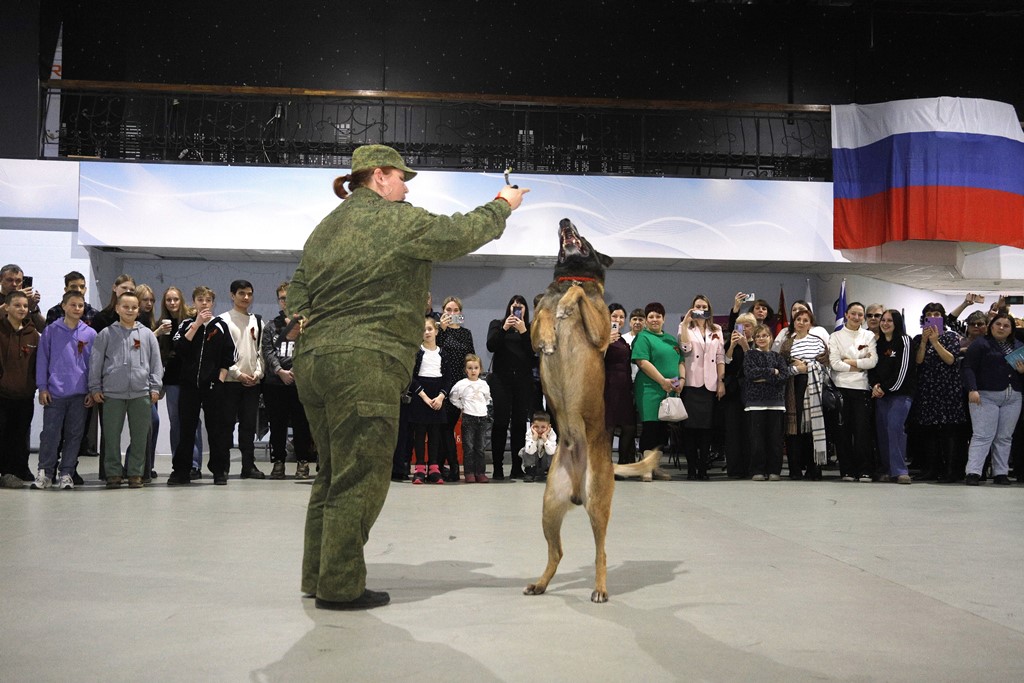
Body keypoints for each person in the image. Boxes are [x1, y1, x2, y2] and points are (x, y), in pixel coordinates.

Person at [287, 144, 527, 610]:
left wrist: (304, 317)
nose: (406, 188)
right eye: (402, 178)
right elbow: (458, 233)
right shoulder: (395, 219)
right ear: (379, 176)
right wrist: (503, 205)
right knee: (360, 477)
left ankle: (318, 576)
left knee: (332, 474)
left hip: (314, 362)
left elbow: (299, 285)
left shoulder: (326, 227)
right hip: (364, 363)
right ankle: (339, 586)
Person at [88, 292, 162, 489]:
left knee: (140, 437)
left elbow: (156, 364)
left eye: (134, 307)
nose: (130, 310)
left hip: (141, 394)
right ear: (117, 308)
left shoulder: (147, 335)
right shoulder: (106, 334)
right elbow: (95, 363)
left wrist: (155, 387)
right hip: (112, 394)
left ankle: (135, 473)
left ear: (138, 310)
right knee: (111, 436)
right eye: (126, 307)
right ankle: (113, 473)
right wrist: (95, 387)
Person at [165, 286, 236, 486]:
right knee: (186, 429)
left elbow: (230, 354)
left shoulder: (220, 325)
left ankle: (219, 471)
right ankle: (182, 471)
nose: (204, 303)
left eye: (208, 300)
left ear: (213, 303)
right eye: (200, 300)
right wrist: (196, 324)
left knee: (216, 429)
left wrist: (220, 378)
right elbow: (179, 348)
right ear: (194, 302)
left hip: (212, 385)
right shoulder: (187, 324)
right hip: (189, 385)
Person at [33, 290, 96, 489]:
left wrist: (91, 390)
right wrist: (42, 387)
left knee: (74, 435)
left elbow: (93, 365)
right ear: (64, 306)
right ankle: (45, 472)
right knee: (50, 435)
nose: (77, 308)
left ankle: (66, 472)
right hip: (55, 394)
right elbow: (42, 360)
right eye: (73, 305)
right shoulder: (51, 331)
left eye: (80, 305)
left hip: (80, 395)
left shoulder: (90, 334)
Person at [961, 313, 1024, 486]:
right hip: (985, 395)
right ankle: (973, 472)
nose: (1001, 328)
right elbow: (968, 367)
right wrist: (972, 389)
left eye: (1006, 325)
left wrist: (1022, 371)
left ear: (1011, 329)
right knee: (982, 435)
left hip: (1013, 396)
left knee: (1004, 437)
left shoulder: (1018, 346)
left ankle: (1000, 472)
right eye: (998, 324)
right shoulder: (980, 344)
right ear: (991, 326)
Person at [908, 303, 966, 482]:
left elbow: (950, 360)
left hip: (948, 389)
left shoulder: (951, 336)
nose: (932, 317)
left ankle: (950, 470)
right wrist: (924, 342)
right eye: (929, 314)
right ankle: (931, 469)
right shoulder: (919, 338)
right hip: (928, 389)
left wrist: (935, 341)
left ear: (942, 317)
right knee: (929, 431)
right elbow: (918, 361)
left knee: (949, 431)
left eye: (936, 314)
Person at [263, 281, 314, 480]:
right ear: (279, 301)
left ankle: (303, 462)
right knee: (277, 425)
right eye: (282, 298)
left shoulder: (305, 325)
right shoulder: (271, 326)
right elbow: (268, 351)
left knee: (302, 424)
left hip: (300, 383)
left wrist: (294, 369)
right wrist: (280, 371)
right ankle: (278, 462)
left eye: (289, 298)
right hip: (275, 383)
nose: (286, 301)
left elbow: (309, 350)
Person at [219, 279, 266, 479]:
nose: (246, 297)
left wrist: (257, 374)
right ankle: (222, 467)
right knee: (226, 425)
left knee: (248, 426)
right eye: (241, 293)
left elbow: (261, 352)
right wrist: (237, 373)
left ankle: (248, 466)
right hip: (230, 383)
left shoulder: (258, 321)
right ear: (232, 295)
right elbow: (220, 354)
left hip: (252, 384)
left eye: (249, 294)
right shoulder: (222, 321)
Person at [631, 302, 683, 482]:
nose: (655, 319)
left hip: (670, 390)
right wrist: (662, 381)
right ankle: (645, 467)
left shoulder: (671, 339)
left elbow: (680, 362)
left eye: (658, 316)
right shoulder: (643, 337)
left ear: (664, 319)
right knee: (650, 427)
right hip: (649, 389)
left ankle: (655, 466)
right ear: (646, 320)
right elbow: (642, 362)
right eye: (651, 316)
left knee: (663, 429)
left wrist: (680, 381)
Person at [486, 295, 535, 480]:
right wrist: (505, 328)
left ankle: (516, 467)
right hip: (501, 380)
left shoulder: (530, 328)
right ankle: (497, 467)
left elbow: (533, 355)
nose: (517, 309)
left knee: (519, 424)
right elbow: (491, 346)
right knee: (500, 422)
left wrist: (523, 332)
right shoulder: (497, 324)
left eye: (520, 307)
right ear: (509, 308)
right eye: (514, 307)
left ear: (525, 310)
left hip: (523, 381)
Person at [828, 301, 878, 482]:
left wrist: (848, 361)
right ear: (846, 315)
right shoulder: (835, 336)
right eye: (853, 313)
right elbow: (835, 364)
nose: (856, 317)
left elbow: (872, 362)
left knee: (862, 432)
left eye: (860, 314)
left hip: (861, 389)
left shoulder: (869, 336)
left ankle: (865, 470)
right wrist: (859, 365)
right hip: (841, 389)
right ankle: (847, 470)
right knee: (843, 432)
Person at [157, 286, 204, 479]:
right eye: (168, 300)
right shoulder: (161, 323)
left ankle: (194, 464)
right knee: (176, 422)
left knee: (193, 421)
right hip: (171, 378)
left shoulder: (192, 319)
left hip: (191, 378)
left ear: (182, 300)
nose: (172, 303)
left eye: (175, 299)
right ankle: (179, 463)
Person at [678, 294, 726, 481]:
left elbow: (720, 357)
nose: (701, 309)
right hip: (692, 383)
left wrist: (721, 381)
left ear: (709, 309)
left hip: (710, 384)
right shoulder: (685, 328)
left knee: (707, 429)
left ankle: (703, 469)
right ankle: (691, 468)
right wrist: (685, 324)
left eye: (704, 307)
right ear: (692, 308)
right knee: (690, 429)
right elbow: (685, 349)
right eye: (697, 306)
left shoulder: (717, 329)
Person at [780, 308, 829, 480]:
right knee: (794, 430)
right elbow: (782, 368)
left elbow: (825, 365)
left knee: (812, 429)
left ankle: (814, 469)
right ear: (793, 322)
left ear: (810, 324)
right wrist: (796, 369)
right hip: (793, 389)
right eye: (798, 319)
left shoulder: (818, 342)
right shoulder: (787, 344)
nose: (801, 322)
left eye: (805, 320)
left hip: (814, 389)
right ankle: (795, 469)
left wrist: (808, 367)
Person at [869, 310, 916, 484]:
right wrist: (875, 386)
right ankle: (887, 469)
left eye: (889, 320)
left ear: (897, 323)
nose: (885, 323)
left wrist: (886, 389)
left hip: (901, 395)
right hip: (881, 395)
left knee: (894, 429)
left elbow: (903, 370)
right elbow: (872, 367)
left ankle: (900, 471)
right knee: (882, 432)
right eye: (883, 320)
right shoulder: (878, 343)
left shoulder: (905, 341)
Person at [0, 290, 41, 487]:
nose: (22, 309)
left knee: (19, 436)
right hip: (2, 394)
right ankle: (6, 472)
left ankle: (15, 471)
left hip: (24, 395)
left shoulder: (33, 334)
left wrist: (34, 386)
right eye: (17, 305)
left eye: (25, 306)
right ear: (6, 307)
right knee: (3, 435)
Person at [407, 316, 451, 484]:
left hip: (437, 395)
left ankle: (433, 468)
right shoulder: (417, 353)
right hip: (421, 395)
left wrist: (441, 396)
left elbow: (447, 378)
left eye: (430, 329)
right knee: (419, 433)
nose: (427, 332)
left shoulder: (443, 354)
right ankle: (419, 468)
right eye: (423, 330)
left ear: (436, 331)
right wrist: (424, 396)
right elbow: (412, 377)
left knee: (435, 433)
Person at [743, 324, 789, 481]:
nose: (761, 339)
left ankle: (774, 470)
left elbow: (784, 376)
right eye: (758, 336)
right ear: (754, 339)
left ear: (770, 338)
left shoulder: (778, 357)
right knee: (757, 439)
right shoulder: (750, 355)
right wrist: (772, 371)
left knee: (775, 440)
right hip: (755, 403)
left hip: (776, 403)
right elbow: (750, 374)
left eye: (764, 335)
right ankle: (758, 470)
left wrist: (763, 378)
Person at [436, 296, 475, 482]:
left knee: (448, 427)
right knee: (443, 427)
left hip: (460, 387)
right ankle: (449, 466)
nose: (452, 313)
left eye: (455, 310)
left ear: (460, 312)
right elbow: (433, 352)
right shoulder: (438, 331)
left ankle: (445, 466)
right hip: (441, 385)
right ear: (443, 312)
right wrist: (441, 330)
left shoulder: (466, 333)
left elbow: (471, 358)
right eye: (448, 310)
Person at [721, 312, 755, 478]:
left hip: (751, 392)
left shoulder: (756, 343)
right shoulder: (730, 343)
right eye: (740, 326)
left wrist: (745, 346)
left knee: (749, 430)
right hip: (732, 392)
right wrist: (732, 347)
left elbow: (755, 364)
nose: (744, 329)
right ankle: (734, 469)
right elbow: (725, 365)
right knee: (732, 430)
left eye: (747, 326)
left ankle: (749, 468)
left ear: (753, 328)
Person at [448, 354, 491, 483]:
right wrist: (462, 406)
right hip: (468, 418)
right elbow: (453, 397)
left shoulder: (484, 384)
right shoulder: (461, 384)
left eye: (476, 368)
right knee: (469, 447)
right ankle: (469, 472)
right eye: (470, 368)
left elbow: (487, 398)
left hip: (482, 418)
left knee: (480, 447)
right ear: (465, 370)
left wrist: (484, 408)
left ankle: (480, 472)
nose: (473, 371)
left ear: (480, 369)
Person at [604, 304, 637, 466]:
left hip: (624, 387)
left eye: (621, 317)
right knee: (609, 426)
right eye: (614, 316)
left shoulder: (622, 339)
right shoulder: (602, 336)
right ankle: (606, 464)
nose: (618, 319)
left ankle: (623, 462)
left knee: (629, 426)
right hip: (609, 386)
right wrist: (605, 343)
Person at [0, 264, 44, 331]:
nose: (14, 284)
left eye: (18, 281)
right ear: (0, 280)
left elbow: (43, 329)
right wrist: (16, 297)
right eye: (9, 280)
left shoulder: (25, 300)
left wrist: (33, 309)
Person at [520, 411, 557, 483]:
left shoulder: (552, 434)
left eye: (543, 427)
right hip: (534, 462)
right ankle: (530, 472)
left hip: (546, 462)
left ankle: (551, 471)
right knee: (526, 449)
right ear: (532, 425)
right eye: (536, 427)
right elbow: (529, 451)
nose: (539, 430)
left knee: (554, 449)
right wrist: (534, 438)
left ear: (549, 427)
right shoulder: (529, 433)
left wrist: (545, 439)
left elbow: (551, 452)